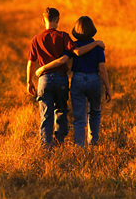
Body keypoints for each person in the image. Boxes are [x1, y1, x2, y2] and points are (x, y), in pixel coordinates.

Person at [27, 8, 105, 149]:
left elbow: (30, 62)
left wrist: (29, 81)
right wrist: (96, 43)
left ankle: (46, 145)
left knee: (46, 114)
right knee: (61, 110)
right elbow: (75, 53)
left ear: (42, 20)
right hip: (62, 79)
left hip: (44, 80)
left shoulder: (36, 39)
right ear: (58, 20)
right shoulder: (63, 36)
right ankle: (60, 142)